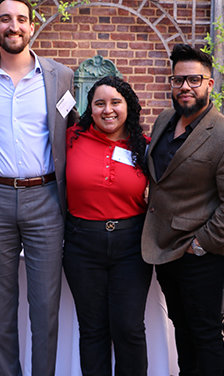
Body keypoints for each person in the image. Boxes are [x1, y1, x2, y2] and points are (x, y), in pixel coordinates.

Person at [0, 0, 77, 376]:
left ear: (32, 25)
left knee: (46, 302)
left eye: (21, 19)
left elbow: (73, 130)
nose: (13, 26)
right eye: (5, 19)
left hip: (45, 198)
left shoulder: (60, 75)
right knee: (0, 299)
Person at [141, 43, 224, 376]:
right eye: (178, 80)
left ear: (210, 84)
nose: (185, 87)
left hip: (199, 254)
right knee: (181, 327)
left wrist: (201, 243)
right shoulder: (164, 120)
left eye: (193, 79)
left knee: (204, 333)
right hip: (161, 247)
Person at [63, 76, 153, 376]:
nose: (108, 110)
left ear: (129, 106)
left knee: (128, 327)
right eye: (99, 103)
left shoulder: (145, 147)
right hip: (81, 244)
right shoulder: (72, 138)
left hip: (131, 245)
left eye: (116, 102)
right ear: (90, 108)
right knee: (92, 329)